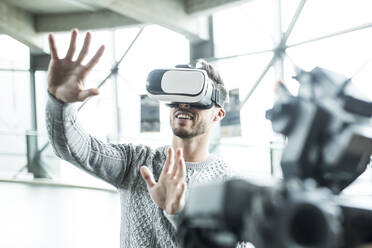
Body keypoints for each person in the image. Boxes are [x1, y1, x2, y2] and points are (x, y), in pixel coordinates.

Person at [45, 29, 231, 248]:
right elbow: (74, 149)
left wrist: (178, 215)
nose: (183, 103)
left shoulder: (227, 184)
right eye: (178, 94)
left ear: (218, 113)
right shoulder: (137, 161)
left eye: (196, 94)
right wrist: (59, 103)